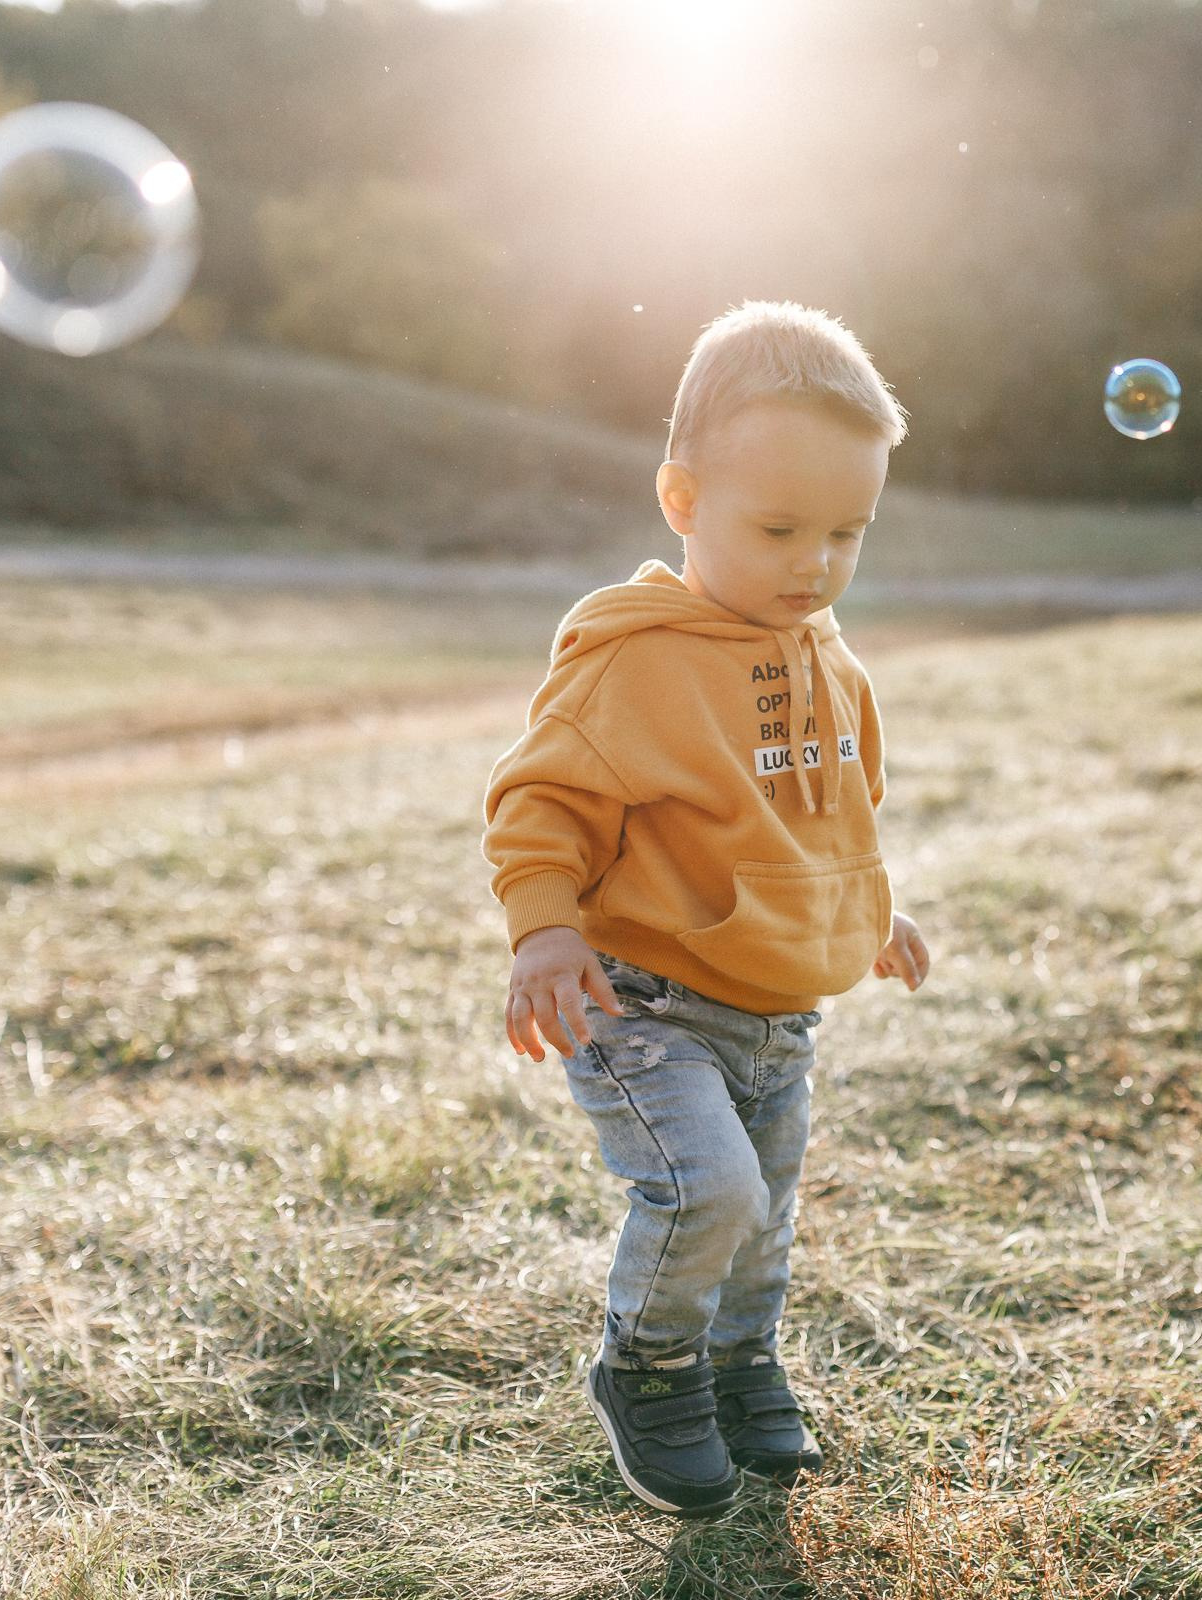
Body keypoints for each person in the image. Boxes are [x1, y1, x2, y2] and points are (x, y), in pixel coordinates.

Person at [481, 301, 931, 1518]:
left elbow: (837, 813)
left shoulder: (830, 658)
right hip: (649, 1005)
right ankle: (648, 1364)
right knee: (710, 1189)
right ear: (682, 500)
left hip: (783, 1013)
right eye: (778, 528)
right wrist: (546, 927)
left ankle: (740, 1364)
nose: (814, 564)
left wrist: (865, 911)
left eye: (847, 533)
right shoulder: (636, 661)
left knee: (764, 1217)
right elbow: (539, 801)